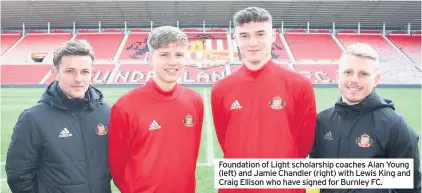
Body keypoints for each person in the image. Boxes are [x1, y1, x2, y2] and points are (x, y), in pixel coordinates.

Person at [211, 7, 317, 193]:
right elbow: (225, 140)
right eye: (244, 36)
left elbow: (304, 145)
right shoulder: (221, 89)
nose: (252, 42)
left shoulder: (299, 84)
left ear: (273, 35)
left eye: (260, 34)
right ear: (234, 38)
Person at [309, 43, 421, 193]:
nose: (354, 79)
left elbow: (410, 188)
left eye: (363, 74)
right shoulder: (322, 121)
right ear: (338, 75)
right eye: (348, 72)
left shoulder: (394, 125)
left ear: (376, 79)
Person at [5, 40, 112, 193]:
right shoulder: (33, 119)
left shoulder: (106, 112)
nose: (78, 79)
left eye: (85, 71)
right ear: (56, 73)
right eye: (69, 71)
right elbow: (19, 175)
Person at [108, 25, 204, 193]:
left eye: (179, 55)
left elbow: (191, 155)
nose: (173, 62)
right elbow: (117, 167)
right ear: (150, 57)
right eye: (164, 54)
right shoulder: (125, 106)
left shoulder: (194, 101)